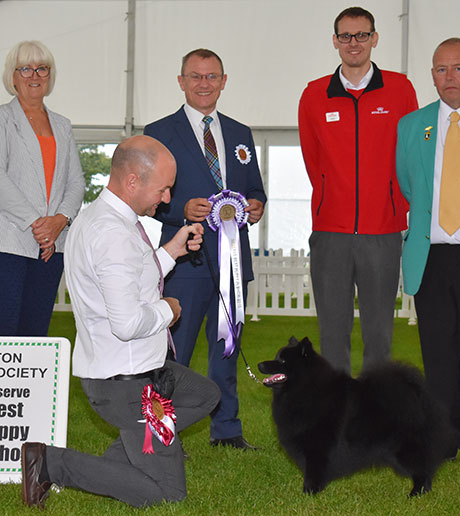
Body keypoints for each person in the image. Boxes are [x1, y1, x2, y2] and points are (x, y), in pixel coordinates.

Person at [21, 135, 221, 508]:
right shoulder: (113, 233)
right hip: (127, 387)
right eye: (162, 189)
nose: (165, 199)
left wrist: (172, 250)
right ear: (132, 181)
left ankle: (138, 443)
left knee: (205, 395)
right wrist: (170, 311)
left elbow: (132, 277)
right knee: (166, 495)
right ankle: (50, 463)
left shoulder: (103, 217)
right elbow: (127, 323)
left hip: (140, 371)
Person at [144, 48, 266, 450]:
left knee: (226, 352)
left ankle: (227, 430)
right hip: (184, 261)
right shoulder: (158, 132)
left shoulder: (240, 133)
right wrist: (180, 208)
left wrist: (256, 205)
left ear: (224, 81)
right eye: (195, 76)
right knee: (173, 354)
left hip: (232, 262)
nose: (203, 83)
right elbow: (146, 196)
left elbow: (254, 190)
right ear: (181, 81)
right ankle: (163, 432)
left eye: (211, 76)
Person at [396, 38, 460, 467]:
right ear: (432, 75)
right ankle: (442, 436)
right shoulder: (411, 125)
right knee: (437, 354)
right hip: (432, 257)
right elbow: (407, 185)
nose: (449, 77)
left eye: (458, 69)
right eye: (441, 69)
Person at [298, 7, 418, 376]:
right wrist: (329, 200)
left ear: (374, 38)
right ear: (335, 41)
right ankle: (337, 421)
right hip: (331, 233)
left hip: (382, 232)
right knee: (333, 337)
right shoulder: (314, 95)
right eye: (346, 36)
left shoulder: (400, 89)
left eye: (362, 35)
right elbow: (312, 160)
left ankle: (376, 420)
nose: (354, 43)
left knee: (379, 337)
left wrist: (396, 203)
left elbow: (411, 154)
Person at [0, 40, 85, 337]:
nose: (34, 75)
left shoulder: (63, 125)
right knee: (5, 333)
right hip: (9, 243)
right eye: (25, 68)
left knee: (35, 335)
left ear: (50, 76)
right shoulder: (2, 119)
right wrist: (39, 226)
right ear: (12, 76)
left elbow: (76, 181)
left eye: (41, 68)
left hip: (52, 248)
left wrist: (59, 221)